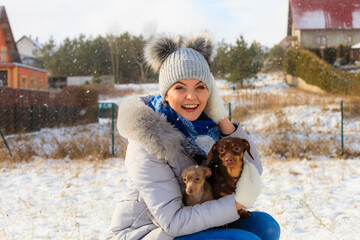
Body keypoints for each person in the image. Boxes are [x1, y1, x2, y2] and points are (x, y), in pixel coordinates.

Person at [106, 32, 280, 240]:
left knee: (266, 227)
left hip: (193, 219)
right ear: (165, 94)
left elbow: (252, 171)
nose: (191, 96)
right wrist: (235, 204)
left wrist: (221, 119)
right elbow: (173, 222)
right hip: (150, 232)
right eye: (180, 87)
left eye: (200, 87)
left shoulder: (208, 128)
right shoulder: (147, 140)